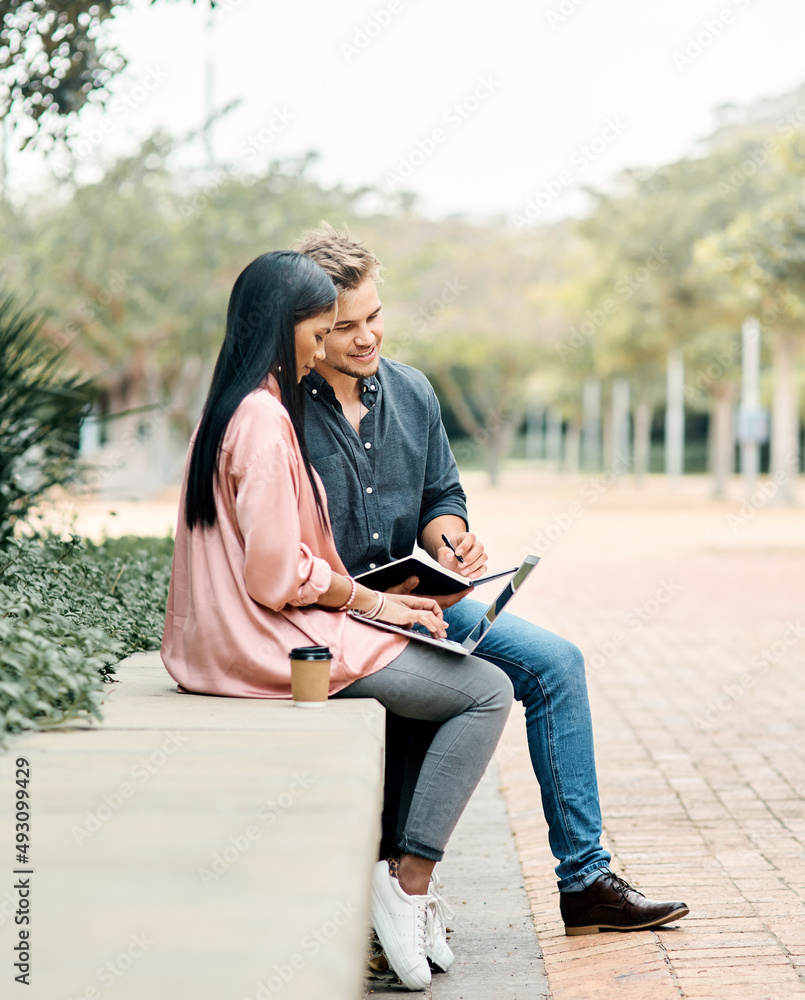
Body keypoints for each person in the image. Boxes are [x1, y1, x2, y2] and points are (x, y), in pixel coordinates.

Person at [293, 225, 690, 936]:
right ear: (310, 328)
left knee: (556, 664)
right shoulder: (281, 413)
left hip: (428, 601)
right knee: (469, 688)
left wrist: (450, 540)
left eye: (374, 317)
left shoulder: (412, 392)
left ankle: (585, 881)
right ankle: (399, 888)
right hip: (344, 617)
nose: (365, 338)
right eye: (344, 326)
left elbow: (441, 496)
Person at [160, 250, 513, 990]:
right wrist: (375, 603)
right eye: (320, 331)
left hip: (239, 640)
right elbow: (272, 573)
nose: (328, 348)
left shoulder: (235, 404)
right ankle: (406, 880)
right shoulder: (262, 418)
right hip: (272, 646)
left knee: (446, 650)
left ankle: (404, 886)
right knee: (483, 691)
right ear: (284, 329)